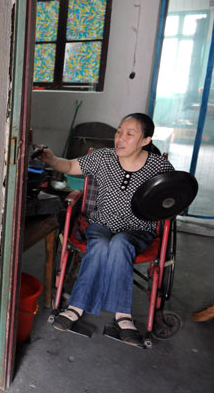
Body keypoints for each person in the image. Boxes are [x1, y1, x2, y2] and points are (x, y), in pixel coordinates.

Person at [38, 113, 174, 346]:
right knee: (100, 243)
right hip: (101, 224)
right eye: (119, 131)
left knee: (121, 242)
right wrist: (52, 160)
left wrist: (174, 203)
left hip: (139, 229)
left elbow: (175, 193)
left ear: (145, 140)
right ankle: (77, 306)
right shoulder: (103, 157)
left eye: (129, 134)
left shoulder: (158, 165)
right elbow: (70, 165)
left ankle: (122, 315)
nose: (120, 138)